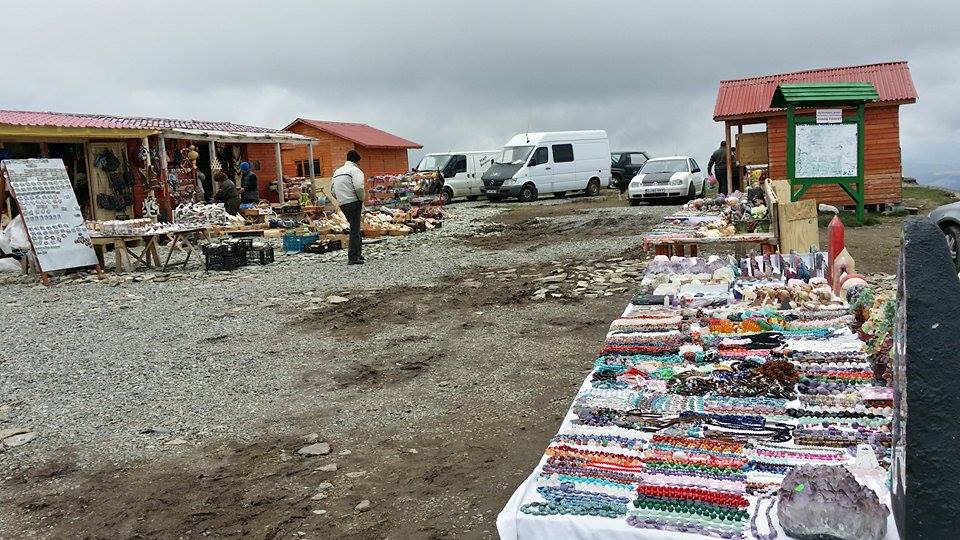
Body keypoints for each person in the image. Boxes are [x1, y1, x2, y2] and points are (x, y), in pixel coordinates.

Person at [332, 150, 366, 265]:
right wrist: (361, 198)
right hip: (354, 202)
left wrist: (341, 198)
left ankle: (358, 254)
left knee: (354, 228)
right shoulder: (355, 170)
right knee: (355, 230)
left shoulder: (337, 171)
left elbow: (332, 190)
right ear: (357, 161)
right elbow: (359, 187)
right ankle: (353, 257)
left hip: (343, 203)